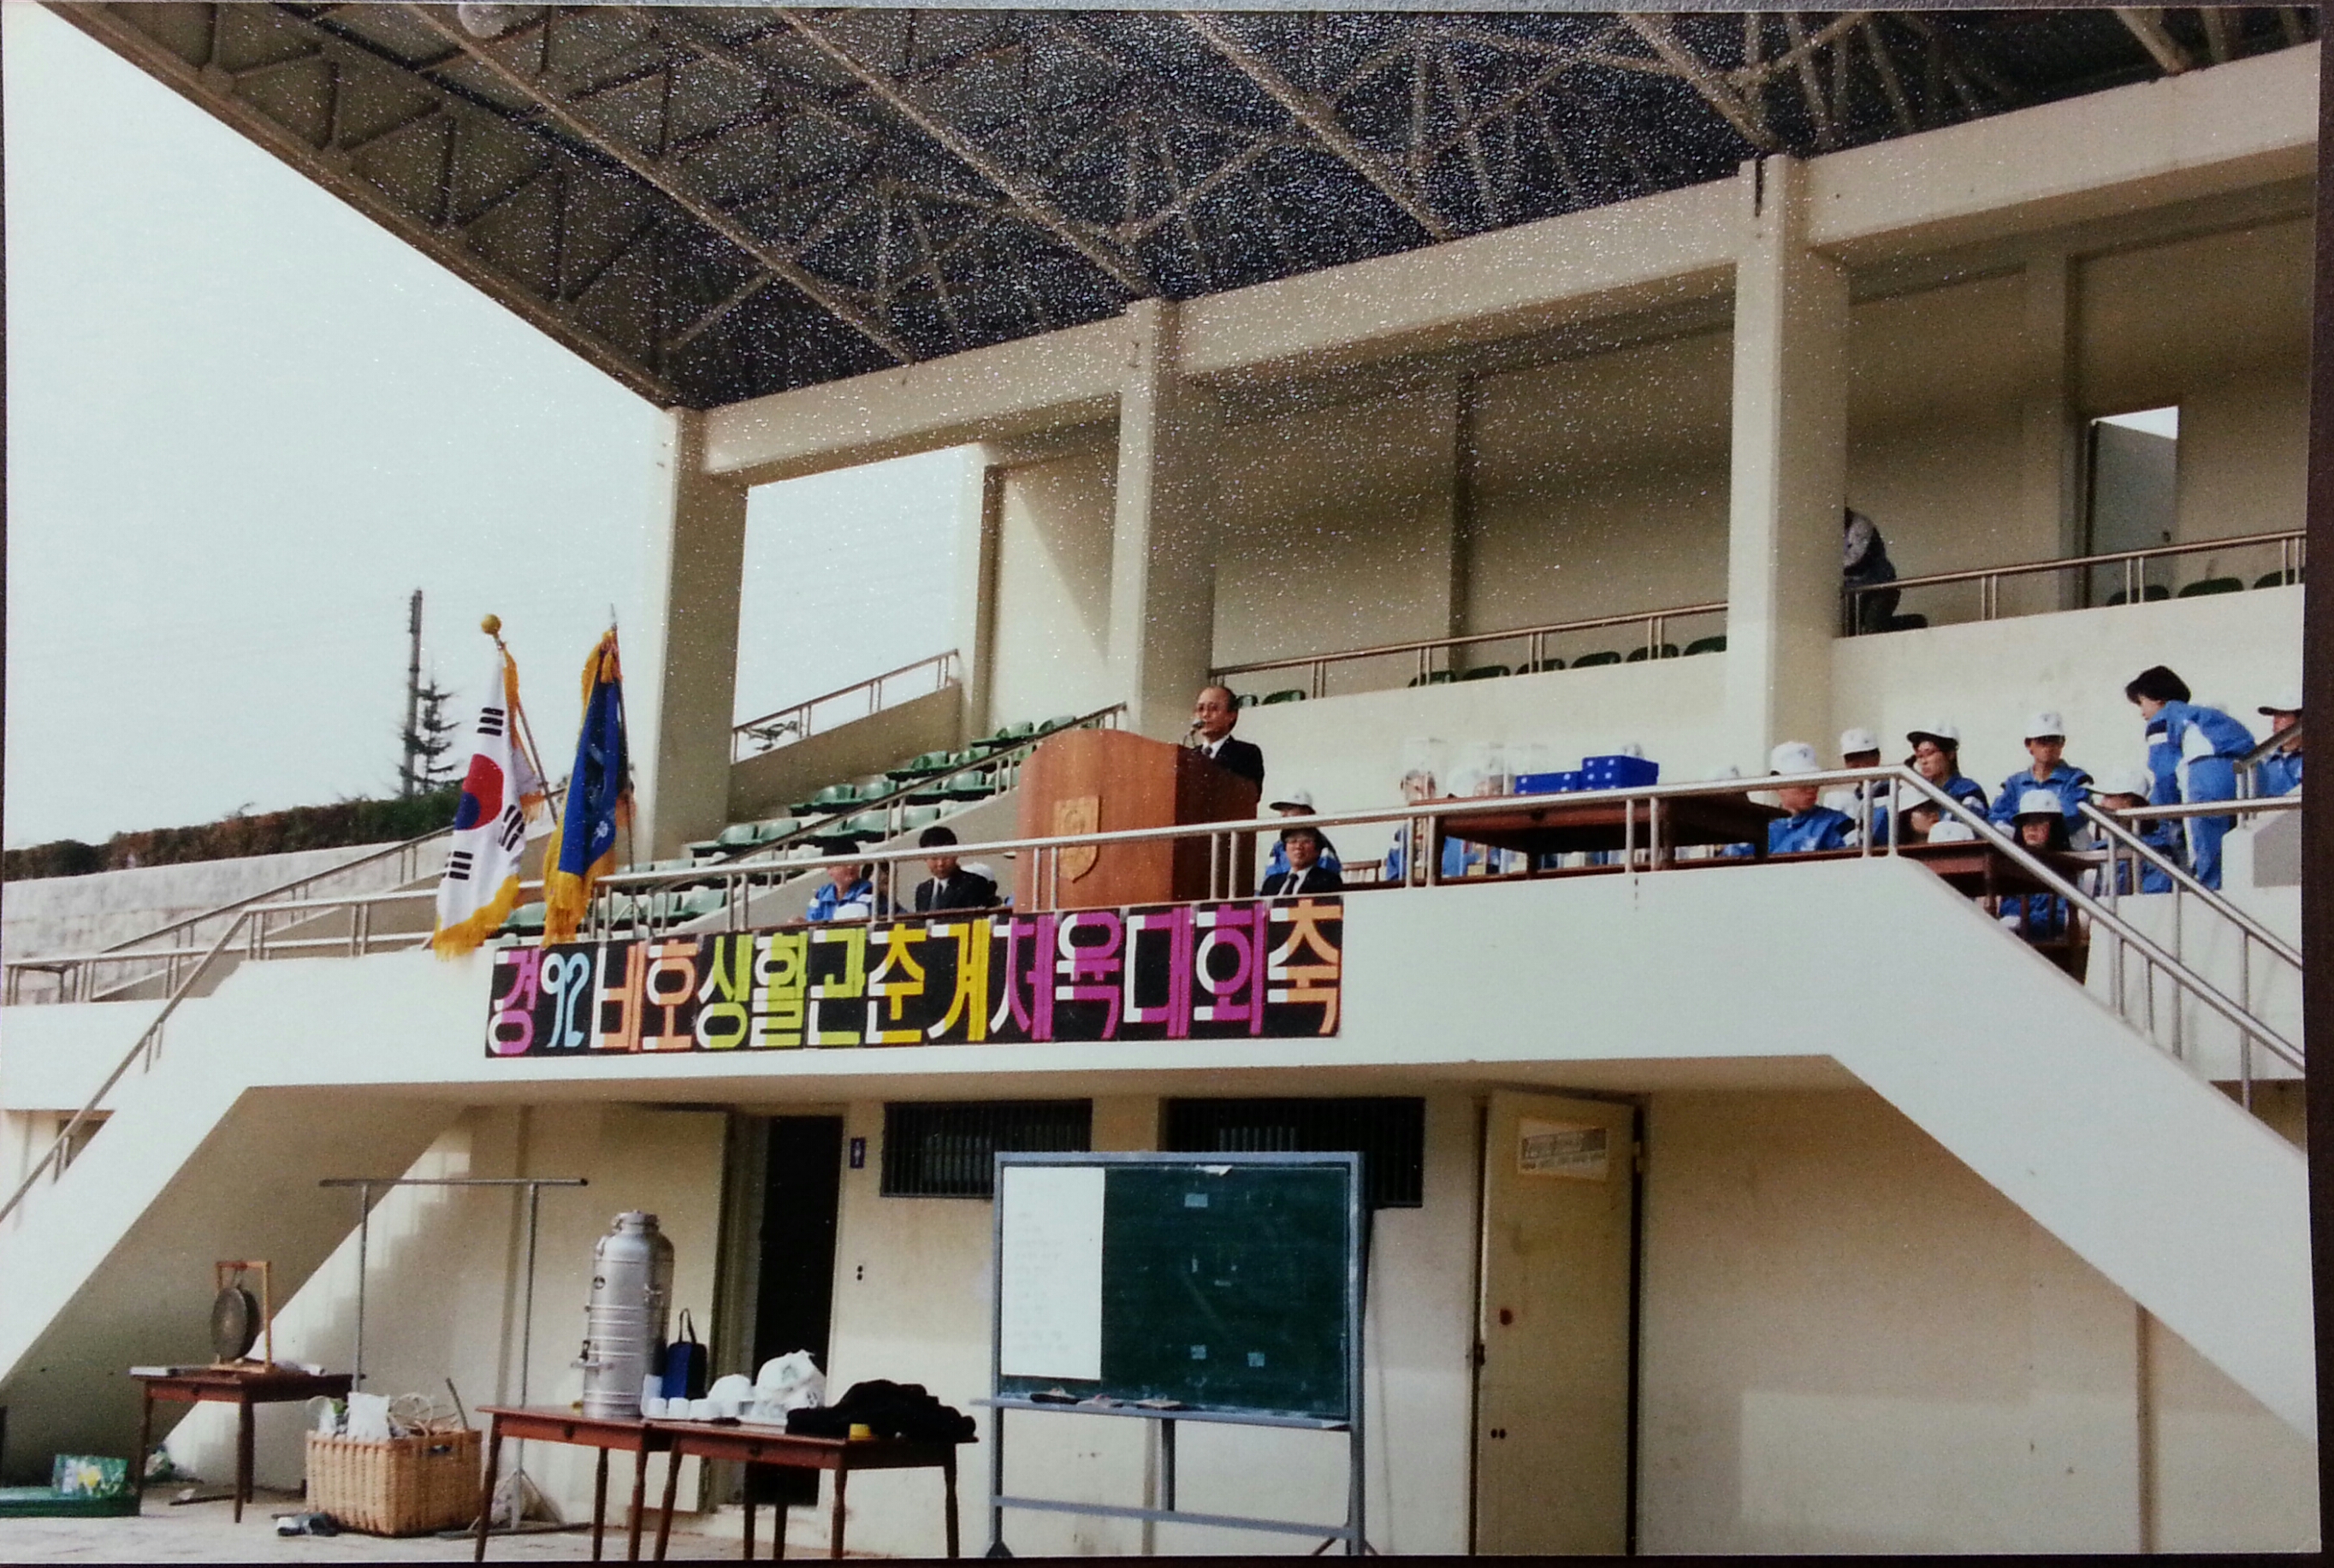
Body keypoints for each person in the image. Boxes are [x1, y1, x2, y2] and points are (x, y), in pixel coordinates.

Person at [2124, 665, 2256, 889]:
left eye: (2141, 703)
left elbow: (2165, 772)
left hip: (2205, 777)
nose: (2142, 713)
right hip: (2248, 777)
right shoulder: (2210, 716)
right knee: (2242, 852)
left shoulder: (2163, 718)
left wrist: (2166, 814)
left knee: (2206, 861)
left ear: (2158, 700)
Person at [1988, 712, 2092, 834]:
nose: (2048, 747)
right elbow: (1997, 817)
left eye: (2054, 741)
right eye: (2041, 741)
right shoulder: (2014, 784)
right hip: (2017, 844)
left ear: (2062, 743)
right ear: (2028, 745)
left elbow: (2073, 817)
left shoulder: (2077, 779)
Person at [1998, 789, 2075, 944]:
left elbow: (2062, 915)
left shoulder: (2069, 866)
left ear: (2055, 826)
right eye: (2025, 822)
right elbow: (2006, 908)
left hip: (2051, 944)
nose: (2031, 828)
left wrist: (2023, 921)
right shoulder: (2013, 867)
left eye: (2039, 821)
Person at [2088, 764, 2175, 893]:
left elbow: (2155, 897)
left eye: (2109, 796)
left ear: (2128, 801)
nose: (2102, 803)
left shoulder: (2156, 852)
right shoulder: (2100, 848)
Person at [1766, 742, 1859, 854]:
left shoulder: (1840, 824)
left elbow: (1862, 859)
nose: (1812, 789)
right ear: (1776, 782)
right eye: (1802, 782)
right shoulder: (1762, 830)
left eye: (1815, 781)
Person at [1822, 726, 1890, 842]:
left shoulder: (1894, 792)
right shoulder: (1850, 798)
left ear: (1877, 757)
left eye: (1861, 757)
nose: (1855, 764)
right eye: (1850, 758)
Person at [1188, 684, 1265, 788]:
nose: (1205, 714)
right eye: (1200, 709)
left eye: (1213, 708)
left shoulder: (1246, 753)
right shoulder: (1190, 756)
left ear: (1232, 715)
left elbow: (1249, 792)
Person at [911, 825, 999, 913]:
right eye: (934, 858)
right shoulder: (922, 890)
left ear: (956, 854)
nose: (940, 863)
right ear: (924, 858)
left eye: (946, 857)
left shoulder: (974, 883)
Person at [1905, 723, 1987, 813]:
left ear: (1950, 754)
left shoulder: (1967, 791)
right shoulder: (1918, 794)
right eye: (1920, 755)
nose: (1923, 762)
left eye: (1929, 753)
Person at [1262, 789, 1342, 880]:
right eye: (1282, 810)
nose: (1284, 814)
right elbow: (1269, 878)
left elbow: (1328, 879)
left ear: (1306, 812)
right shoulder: (1278, 846)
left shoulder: (1321, 843)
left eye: (1289, 809)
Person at [1843, 509, 1899, 634]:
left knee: (1873, 626)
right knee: (1850, 629)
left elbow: (1856, 559)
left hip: (1879, 586)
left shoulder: (1861, 525)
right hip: (1856, 589)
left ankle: (1915, 624)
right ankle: (1915, 622)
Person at [1261, 824, 1344, 896]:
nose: (1298, 846)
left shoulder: (1328, 881)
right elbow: (1261, 908)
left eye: (1306, 841)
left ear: (1318, 851)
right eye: (1293, 841)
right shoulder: (1271, 882)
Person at [2255, 689, 2304, 797]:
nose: (2275, 721)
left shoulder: (2319, 760)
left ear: (2301, 719)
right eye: (2274, 715)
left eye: (2282, 715)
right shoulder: (2263, 762)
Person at [806, 861, 883, 922]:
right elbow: (811, 920)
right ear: (829, 868)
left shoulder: (868, 890)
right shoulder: (822, 893)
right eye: (845, 863)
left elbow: (858, 915)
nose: (851, 866)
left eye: (855, 862)